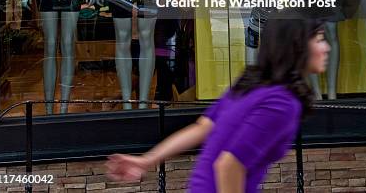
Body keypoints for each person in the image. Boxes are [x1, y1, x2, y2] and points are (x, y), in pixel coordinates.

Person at [106, 16, 329, 193]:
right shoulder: (282, 102)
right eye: (319, 39)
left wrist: (146, 160)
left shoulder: (251, 82)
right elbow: (228, 164)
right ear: (298, 45)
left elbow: (202, 128)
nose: (326, 47)